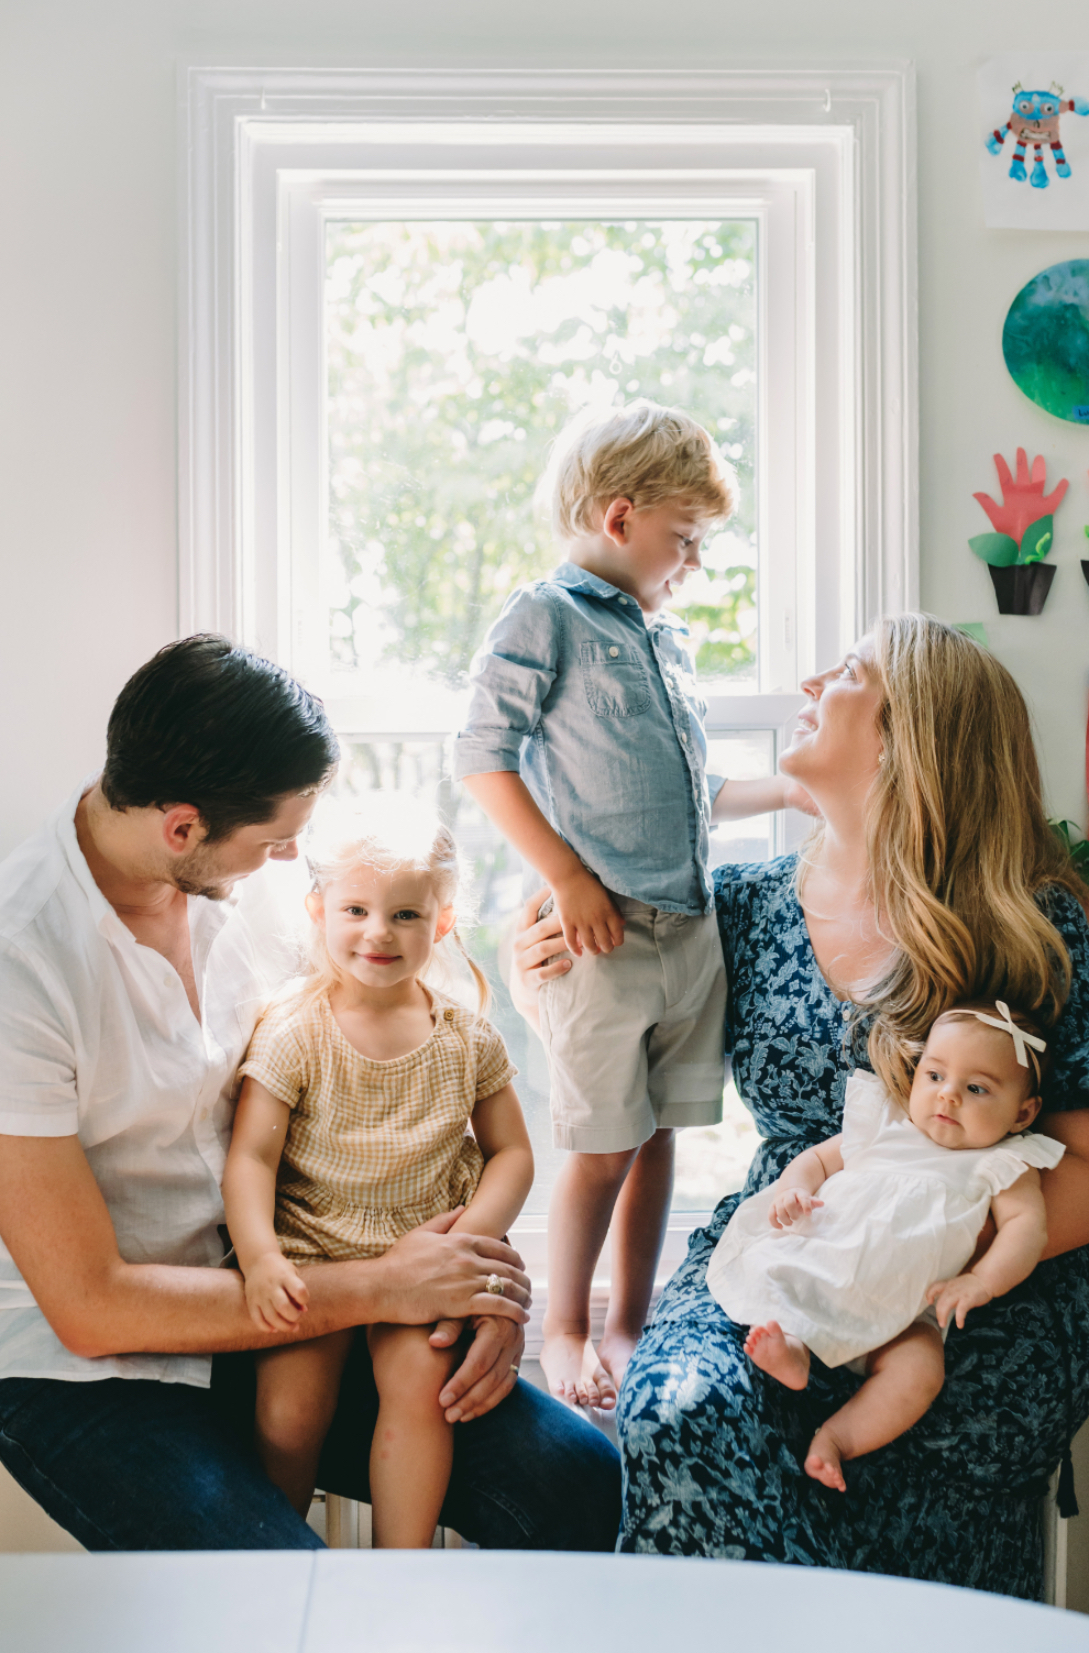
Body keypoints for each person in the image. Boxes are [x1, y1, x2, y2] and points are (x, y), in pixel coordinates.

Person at [0, 635, 621, 1551]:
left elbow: (412, 1019)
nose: (291, 857)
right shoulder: (18, 962)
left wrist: (474, 1283)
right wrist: (384, 1286)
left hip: (294, 1288)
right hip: (95, 1368)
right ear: (182, 828)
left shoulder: (257, 890)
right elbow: (92, 1306)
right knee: (283, 1598)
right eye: (275, 838)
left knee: (579, 1482)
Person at [512, 613, 1089, 1598]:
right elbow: (619, 1083)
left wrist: (912, 1268)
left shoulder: (1031, 924)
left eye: (851, 669)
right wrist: (541, 983)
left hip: (977, 1265)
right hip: (783, 1236)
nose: (811, 678)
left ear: (909, 732)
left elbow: (1075, 1166)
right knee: (677, 1409)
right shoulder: (730, 905)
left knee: (967, 1419)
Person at [455, 398, 804, 1409]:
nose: (690, 563)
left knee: (657, 1138)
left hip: (683, 934)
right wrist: (564, 878)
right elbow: (480, 755)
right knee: (601, 1142)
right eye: (682, 540)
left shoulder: (664, 640)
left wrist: (786, 790)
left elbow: (691, 795)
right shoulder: (545, 619)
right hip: (600, 939)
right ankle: (562, 1326)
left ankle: (630, 1316)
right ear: (618, 518)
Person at [224, 803, 534, 1543]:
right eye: (356, 909)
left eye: (404, 913)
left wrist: (470, 1240)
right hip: (312, 1250)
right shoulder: (297, 1030)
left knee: (420, 1394)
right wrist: (262, 1257)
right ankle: (285, 1561)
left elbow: (513, 1153)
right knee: (290, 1409)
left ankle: (402, 1576)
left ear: (444, 921)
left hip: (424, 1248)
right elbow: (251, 1157)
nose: (378, 932)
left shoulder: (465, 1036)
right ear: (318, 910)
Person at [709, 999, 1063, 1492]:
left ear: (1023, 1112)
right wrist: (796, 1189)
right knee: (790, 1278)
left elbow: (1027, 1230)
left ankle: (837, 1439)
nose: (949, 1097)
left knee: (919, 1371)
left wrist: (981, 1280)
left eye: (976, 1088)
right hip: (831, 1256)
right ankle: (795, 1348)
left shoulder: (1005, 1161)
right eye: (935, 1076)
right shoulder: (886, 1124)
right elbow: (818, 1160)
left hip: (904, 1310)